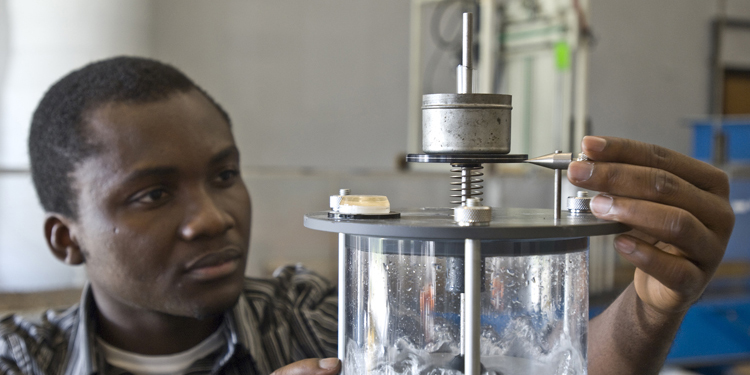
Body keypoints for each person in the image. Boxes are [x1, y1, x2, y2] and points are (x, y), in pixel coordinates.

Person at [0, 56, 734, 375]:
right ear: (66, 239)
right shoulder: (19, 358)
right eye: (153, 194)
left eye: (225, 174)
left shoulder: (323, 316)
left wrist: (649, 304)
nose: (212, 217)